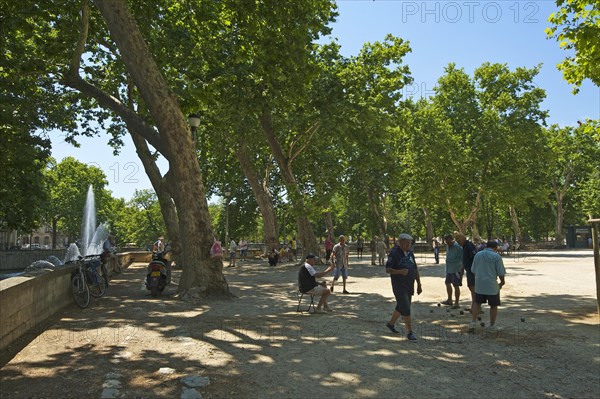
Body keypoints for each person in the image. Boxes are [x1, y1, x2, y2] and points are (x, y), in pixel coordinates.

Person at [385, 233, 422, 340]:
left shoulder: (410, 253)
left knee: (403, 305)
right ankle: (409, 332)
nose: (408, 245)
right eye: (406, 243)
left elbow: (415, 269)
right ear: (400, 242)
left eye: (409, 243)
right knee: (405, 306)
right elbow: (388, 269)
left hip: (409, 284)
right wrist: (399, 271)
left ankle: (391, 324)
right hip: (399, 285)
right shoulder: (394, 253)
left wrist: (419, 284)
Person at [468, 241, 506, 332]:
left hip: (480, 283)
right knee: (493, 305)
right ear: (495, 248)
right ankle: (492, 326)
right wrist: (502, 282)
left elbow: (473, 270)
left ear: (486, 246)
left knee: (477, 303)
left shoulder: (478, 255)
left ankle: (472, 323)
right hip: (491, 284)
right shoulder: (496, 256)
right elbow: (501, 272)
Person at [454, 232, 478, 312]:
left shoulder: (468, 245)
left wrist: (474, 269)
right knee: (472, 287)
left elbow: (474, 257)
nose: (458, 242)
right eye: (457, 240)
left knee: (472, 287)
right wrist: (463, 266)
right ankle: (475, 306)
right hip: (469, 269)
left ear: (463, 239)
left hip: (472, 270)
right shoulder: (465, 246)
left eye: (459, 240)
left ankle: (475, 307)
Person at [442, 234, 463, 309]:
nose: (448, 243)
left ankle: (457, 303)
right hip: (449, 269)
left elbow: (462, 258)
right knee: (447, 283)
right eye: (446, 242)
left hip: (456, 269)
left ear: (452, 239)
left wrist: (461, 270)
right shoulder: (448, 246)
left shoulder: (458, 247)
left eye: (449, 241)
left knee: (456, 285)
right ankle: (449, 300)